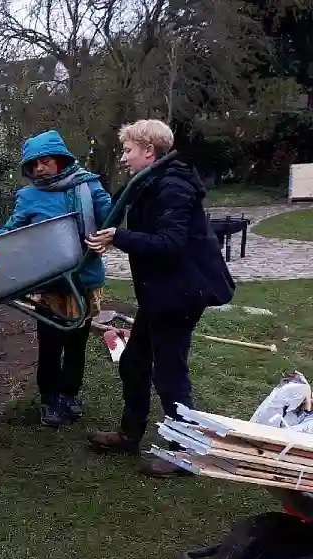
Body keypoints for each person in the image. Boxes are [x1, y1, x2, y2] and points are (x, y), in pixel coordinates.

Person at [85, 119, 235, 476]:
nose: (123, 158)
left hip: (181, 294)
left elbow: (169, 244)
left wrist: (118, 237)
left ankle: (184, 453)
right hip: (161, 294)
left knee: (170, 375)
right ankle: (129, 434)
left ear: (148, 151)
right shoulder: (151, 183)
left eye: (128, 150)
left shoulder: (173, 187)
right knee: (134, 363)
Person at [0, 130, 112, 428]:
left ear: (60, 159)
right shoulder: (29, 197)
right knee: (50, 343)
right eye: (33, 165)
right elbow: (13, 233)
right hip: (50, 283)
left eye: (44, 162)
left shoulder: (88, 186)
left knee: (77, 342)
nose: (39, 169)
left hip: (84, 278)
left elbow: (110, 218)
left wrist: (113, 230)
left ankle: (69, 395)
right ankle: (49, 401)